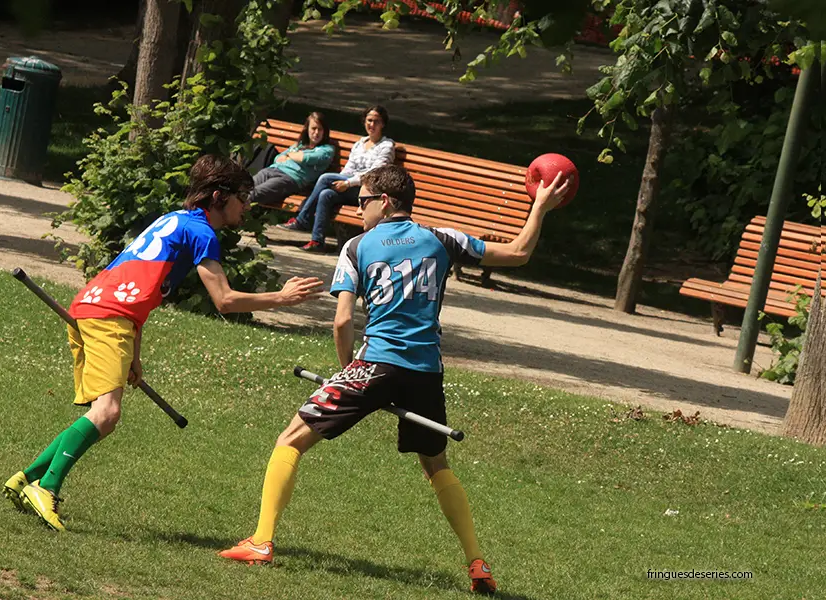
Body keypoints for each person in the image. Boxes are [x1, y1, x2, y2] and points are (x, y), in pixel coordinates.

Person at [219, 165, 571, 594]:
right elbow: (518, 253)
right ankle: (476, 562)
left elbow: (342, 321)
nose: (357, 209)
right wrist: (539, 207)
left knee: (290, 440)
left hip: (376, 364)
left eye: (362, 201)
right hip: (426, 372)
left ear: (384, 202)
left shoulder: (356, 247)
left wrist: (346, 369)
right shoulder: (443, 239)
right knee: (436, 465)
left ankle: (261, 541)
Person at [2, 155, 325, 532]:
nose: (246, 205)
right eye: (242, 197)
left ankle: (26, 478)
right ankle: (47, 488)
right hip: (110, 316)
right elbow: (224, 301)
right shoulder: (202, 233)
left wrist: (134, 353)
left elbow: (140, 287)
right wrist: (281, 298)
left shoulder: (173, 220)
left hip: (93, 307)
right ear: (219, 197)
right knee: (106, 413)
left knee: (99, 414)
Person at [278, 105, 395, 252]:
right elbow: (349, 169)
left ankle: (303, 219)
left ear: (382, 124)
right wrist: (340, 181)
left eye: (376, 121)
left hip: (368, 191)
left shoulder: (386, 146)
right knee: (326, 194)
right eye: (369, 120)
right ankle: (317, 241)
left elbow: (374, 174)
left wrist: (348, 183)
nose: (372, 124)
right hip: (350, 187)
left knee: (325, 178)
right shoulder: (360, 144)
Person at [250, 112, 335, 206]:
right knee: (243, 188)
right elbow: (278, 158)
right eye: (313, 128)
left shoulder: (327, 150)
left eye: (320, 129)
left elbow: (305, 158)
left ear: (325, 131)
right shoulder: (300, 145)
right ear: (307, 129)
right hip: (271, 170)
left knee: (254, 194)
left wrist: (289, 156)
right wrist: (292, 156)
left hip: (289, 178)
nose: (316, 133)